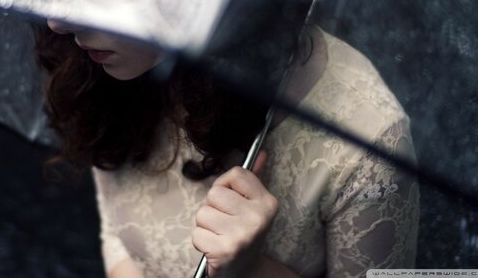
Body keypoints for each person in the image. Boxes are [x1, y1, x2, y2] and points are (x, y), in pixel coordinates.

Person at [34, 17, 419, 278]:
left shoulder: (369, 144)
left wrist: (251, 271)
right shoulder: (99, 67)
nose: (57, 21)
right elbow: (117, 233)